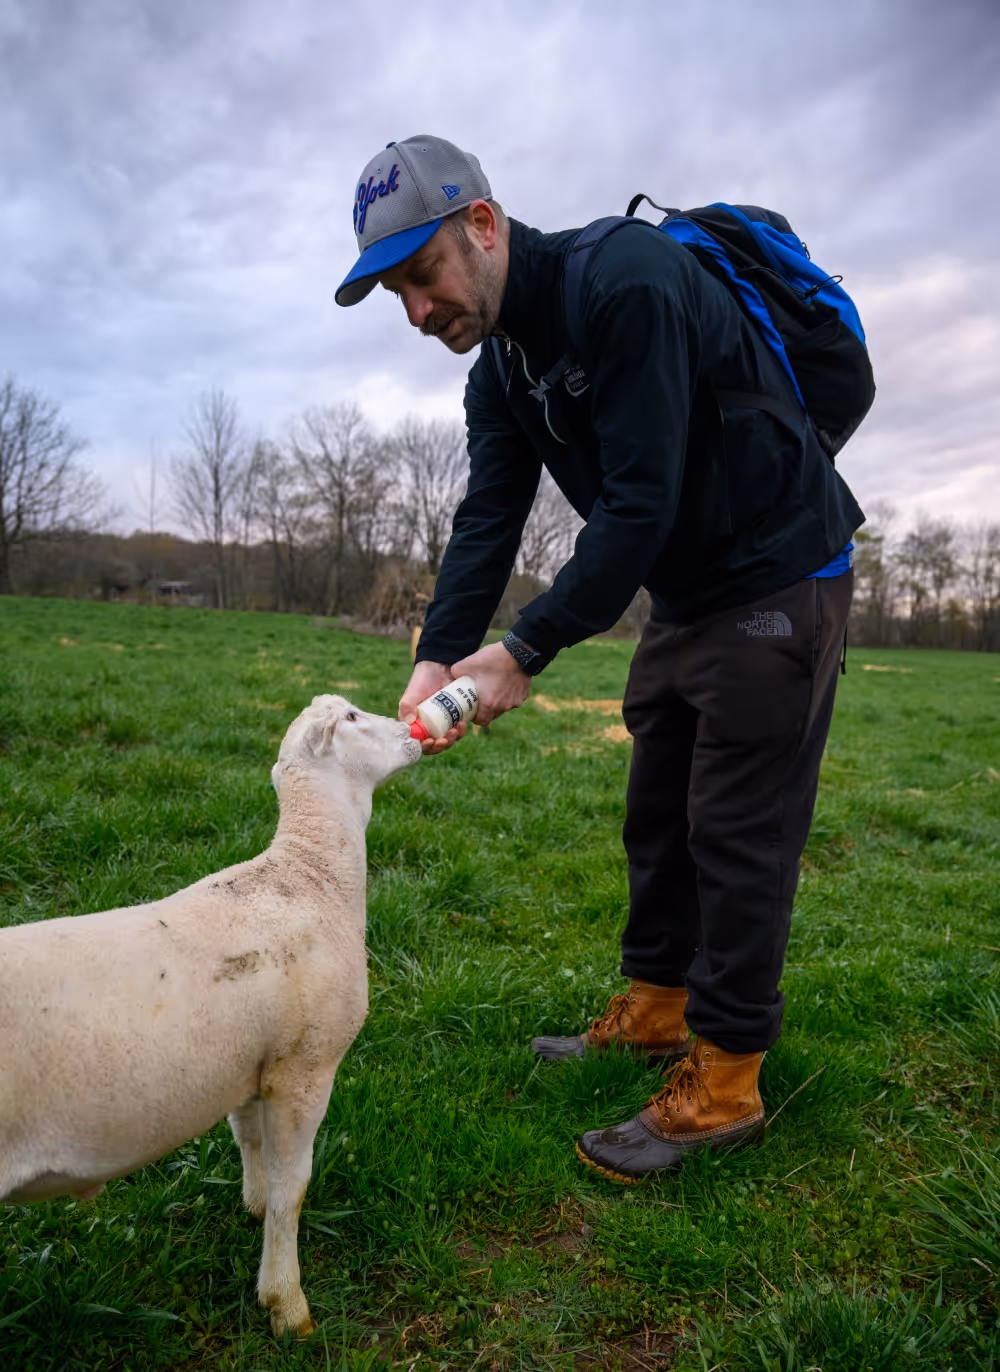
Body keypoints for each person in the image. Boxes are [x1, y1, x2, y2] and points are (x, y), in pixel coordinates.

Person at [336, 135, 864, 1183]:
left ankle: (724, 1083)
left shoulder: (626, 283)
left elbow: (638, 502)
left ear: (481, 227)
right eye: (395, 292)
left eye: (422, 275)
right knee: (655, 813)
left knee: (736, 831)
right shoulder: (504, 368)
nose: (416, 311)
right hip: (686, 588)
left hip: (778, 570)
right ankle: (657, 1010)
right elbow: (489, 513)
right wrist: (440, 654)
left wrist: (524, 648)